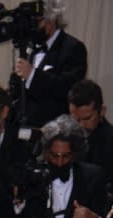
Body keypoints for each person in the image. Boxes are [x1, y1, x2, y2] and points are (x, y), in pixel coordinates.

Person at [16, 115, 107, 218]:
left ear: (74, 153)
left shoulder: (93, 177)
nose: (59, 162)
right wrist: (19, 203)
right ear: (46, 153)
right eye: (54, 155)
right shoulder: (33, 179)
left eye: (65, 156)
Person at [11, 0, 87, 128]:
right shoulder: (30, 47)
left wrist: (33, 75)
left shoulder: (73, 47)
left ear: (51, 20)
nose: (32, 28)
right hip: (25, 130)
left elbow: (69, 88)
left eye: (36, 22)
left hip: (55, 132)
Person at [68, 79, 113, 190]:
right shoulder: (66, 138)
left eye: (87, 118)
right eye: (75, 119)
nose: (80, 125)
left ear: (102, 111)